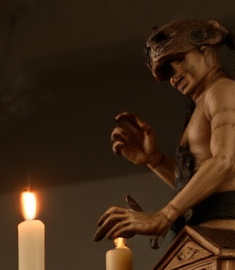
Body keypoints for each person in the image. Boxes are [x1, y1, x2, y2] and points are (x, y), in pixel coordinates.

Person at [94, 18, 235, 242]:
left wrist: (165, 215)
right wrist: (156, 160)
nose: (173, 77)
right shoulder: (201, 104)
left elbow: (224, 162)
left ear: (207, 51)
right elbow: (201, 188)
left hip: (224, 236)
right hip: (204, 235)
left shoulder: (222, 90)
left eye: (178, 60)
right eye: (168, 72)